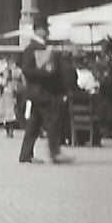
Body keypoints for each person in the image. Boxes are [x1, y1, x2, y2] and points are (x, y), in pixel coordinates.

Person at [18, 15, 71, 165]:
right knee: (53, 120)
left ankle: (25, 154)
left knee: (34, 124)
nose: (47, 32)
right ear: (38, 31)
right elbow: (27, 71)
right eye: (45, 29)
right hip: (40, 92)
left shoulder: (45, 48)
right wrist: (46, 73)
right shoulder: (31, 49)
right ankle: (55, 153)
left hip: (42, 92)